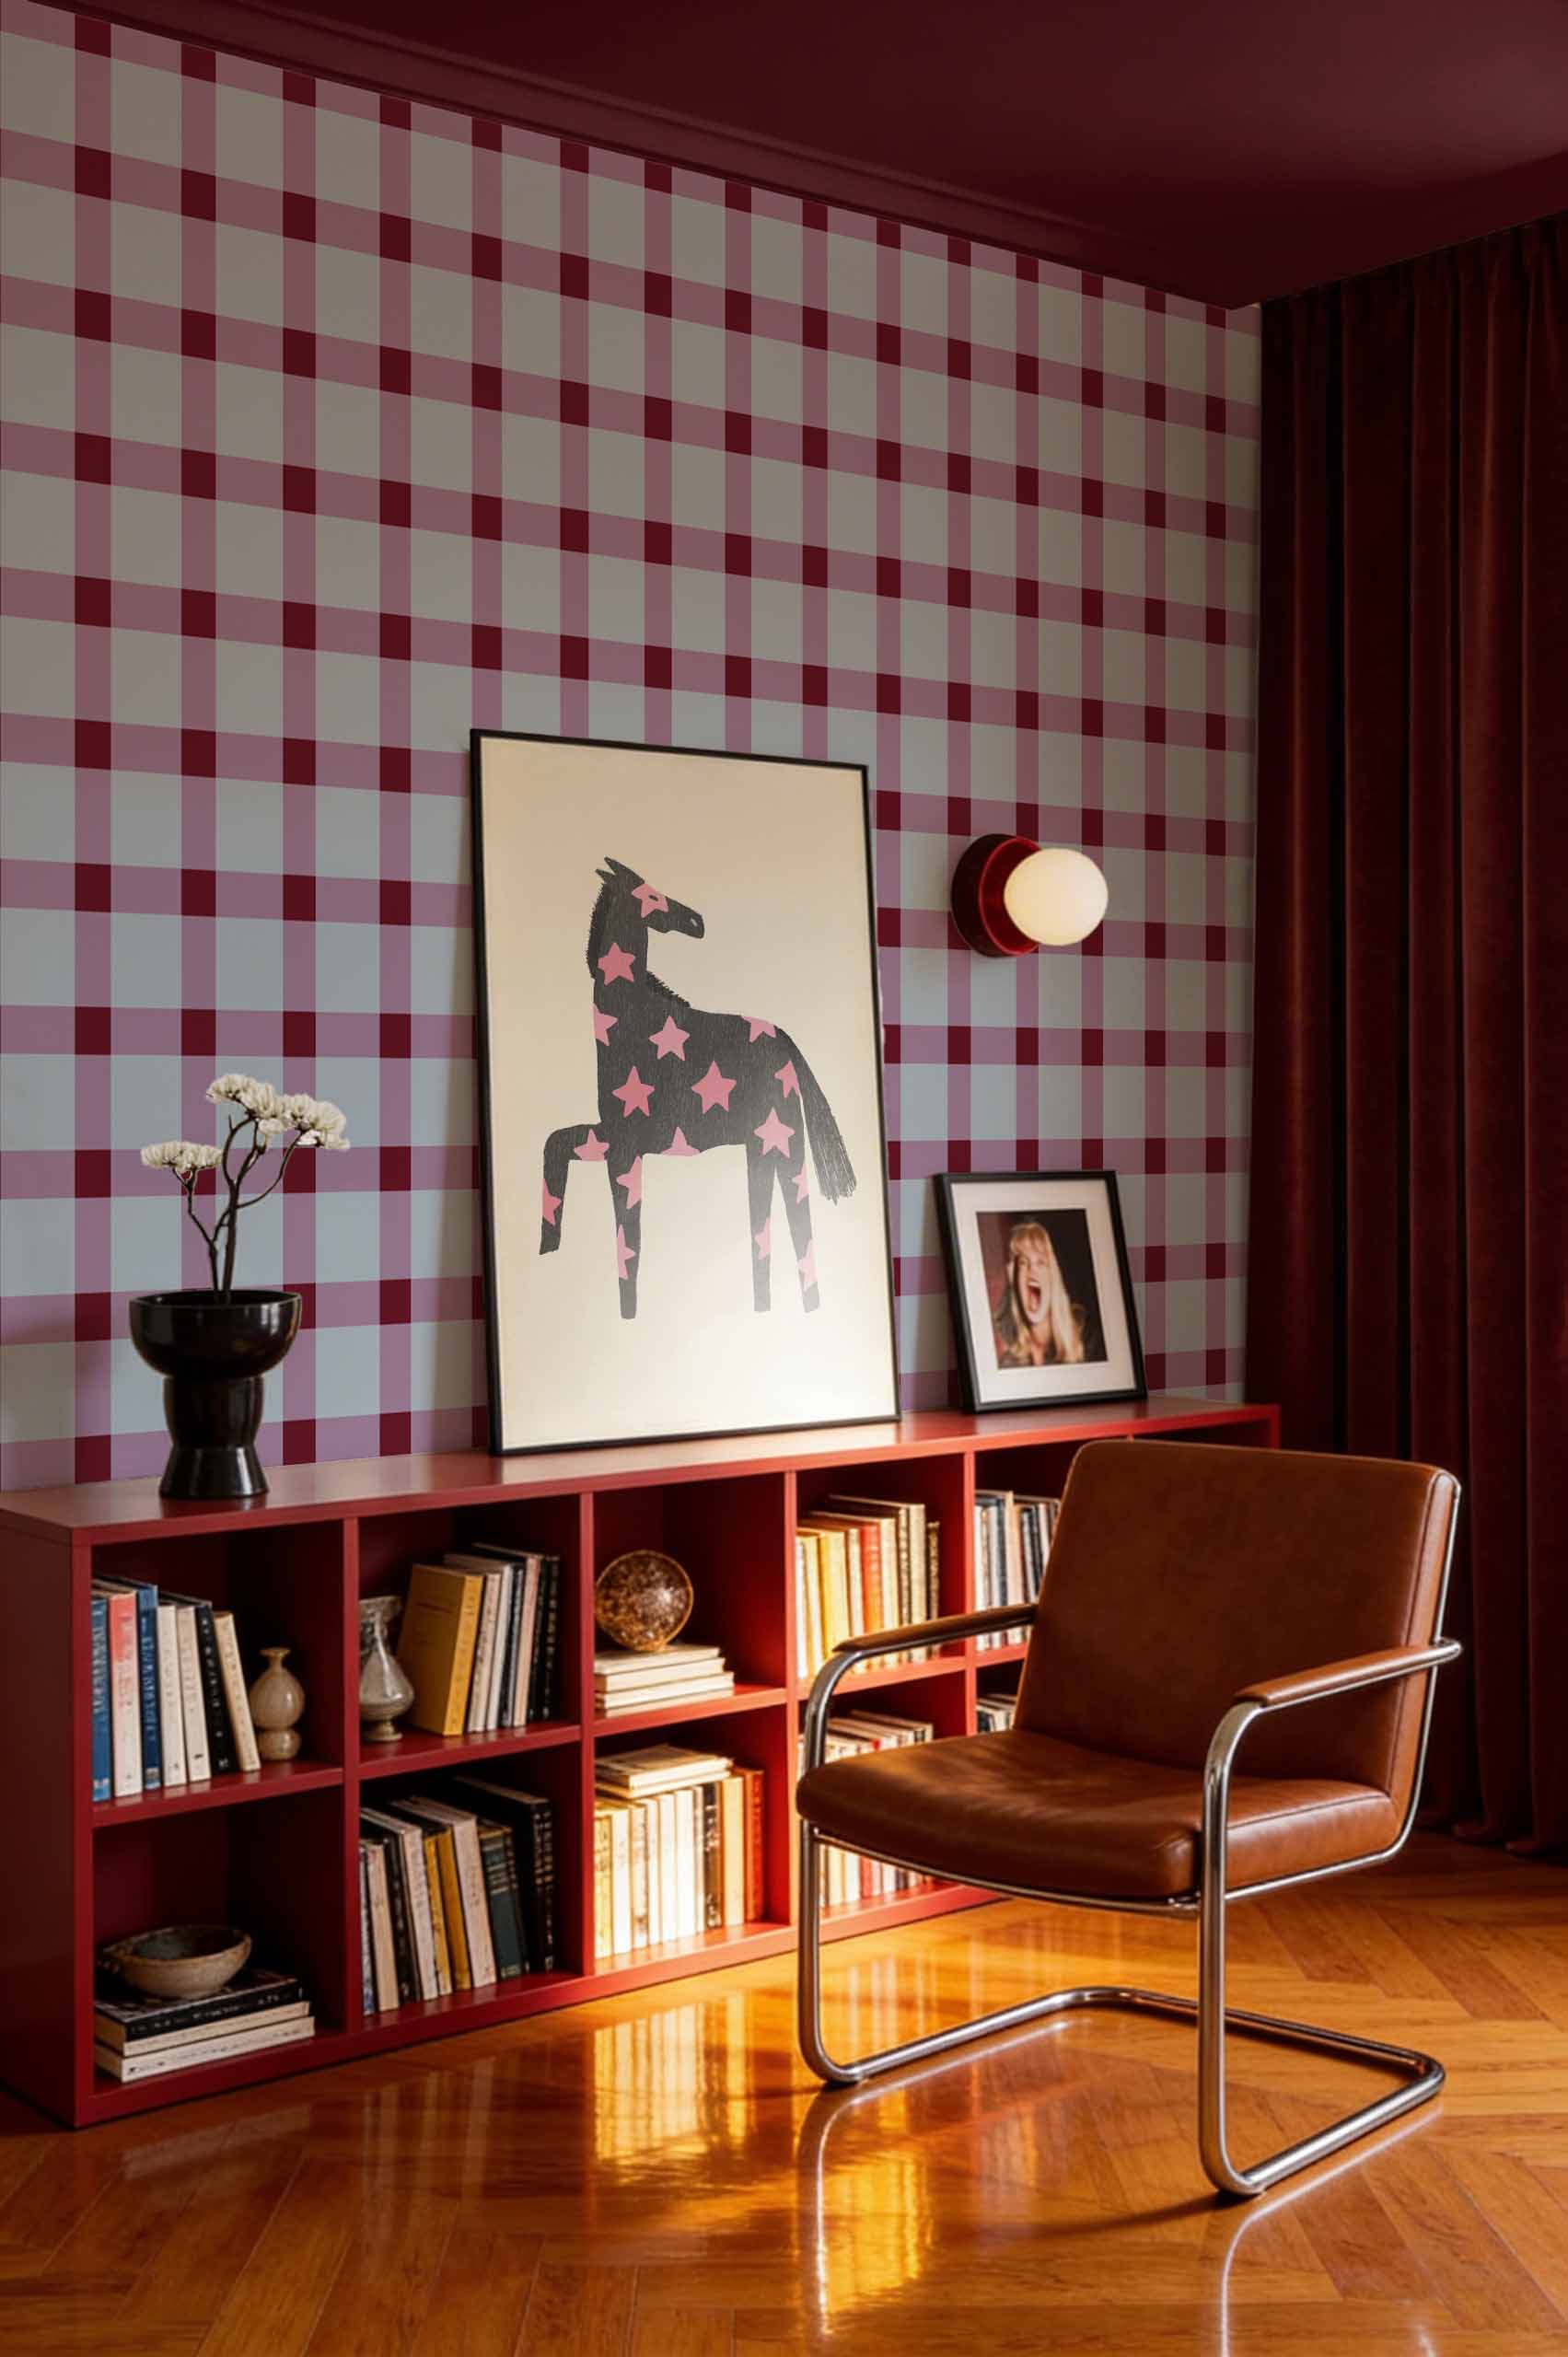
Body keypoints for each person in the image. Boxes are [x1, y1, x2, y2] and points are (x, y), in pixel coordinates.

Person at [991, 1219, 1091, 1368]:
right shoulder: (1008, 1363)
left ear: (1053, 1277)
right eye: (1023, 1263)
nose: (1032, 1270)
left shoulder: (1086, 1342)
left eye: (1041, 1263)